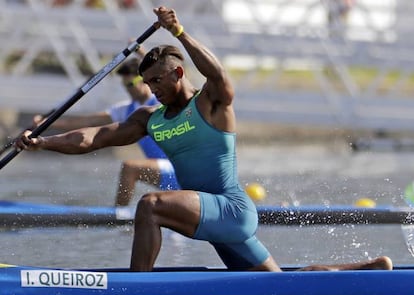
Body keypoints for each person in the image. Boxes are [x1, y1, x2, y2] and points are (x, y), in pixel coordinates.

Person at [15, 6, 393, 272]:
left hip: (230, 209)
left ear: (178, 73)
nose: (152, 90)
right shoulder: (150, 118)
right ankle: (368, 268)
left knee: (150, 205)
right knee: (279, 285)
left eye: (157, 82)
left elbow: (220, 74)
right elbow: (95, 138)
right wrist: (43, 142)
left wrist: (179, 32)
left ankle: (136, 293)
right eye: (147, 84)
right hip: (213, 217)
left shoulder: (211, 104)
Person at [32, 53, 180, 207]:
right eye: (125, 86)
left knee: (130, 167)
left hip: (178, 168)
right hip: (166, 174)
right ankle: (120, 216)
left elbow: (167, 73)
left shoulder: (161, 100)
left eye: (130, 84)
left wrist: (142, 53)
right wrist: (47, 123)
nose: (128, 90)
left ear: (143, 80)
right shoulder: (125, 109)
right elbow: (89, 121)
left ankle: (117, 214)